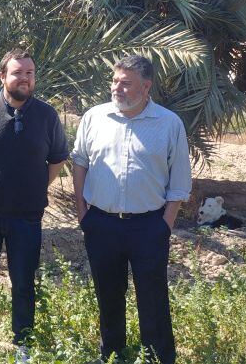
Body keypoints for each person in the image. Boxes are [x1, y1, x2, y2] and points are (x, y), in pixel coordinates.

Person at [71, 55, 192, 364]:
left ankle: (158, 357)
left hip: (148, 226)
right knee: (108, 295)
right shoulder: (94, 117)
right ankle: (112, 354)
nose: (117, 88)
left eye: (126, 83)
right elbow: (80, 161)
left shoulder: (168, 124)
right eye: (115, 81)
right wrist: (82, 211)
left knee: (152, 297)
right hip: (101, 223)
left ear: (146, 86)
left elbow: (178, 180)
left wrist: (165, 223)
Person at [0, 48, 68, 362]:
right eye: (17, 72)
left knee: (23, 281)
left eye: (29, 73)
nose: (24, 78)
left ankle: (23, 342)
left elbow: (58, 157)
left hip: (26, 217)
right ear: (3, 76)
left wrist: (35, 188)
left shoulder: (47, 115)